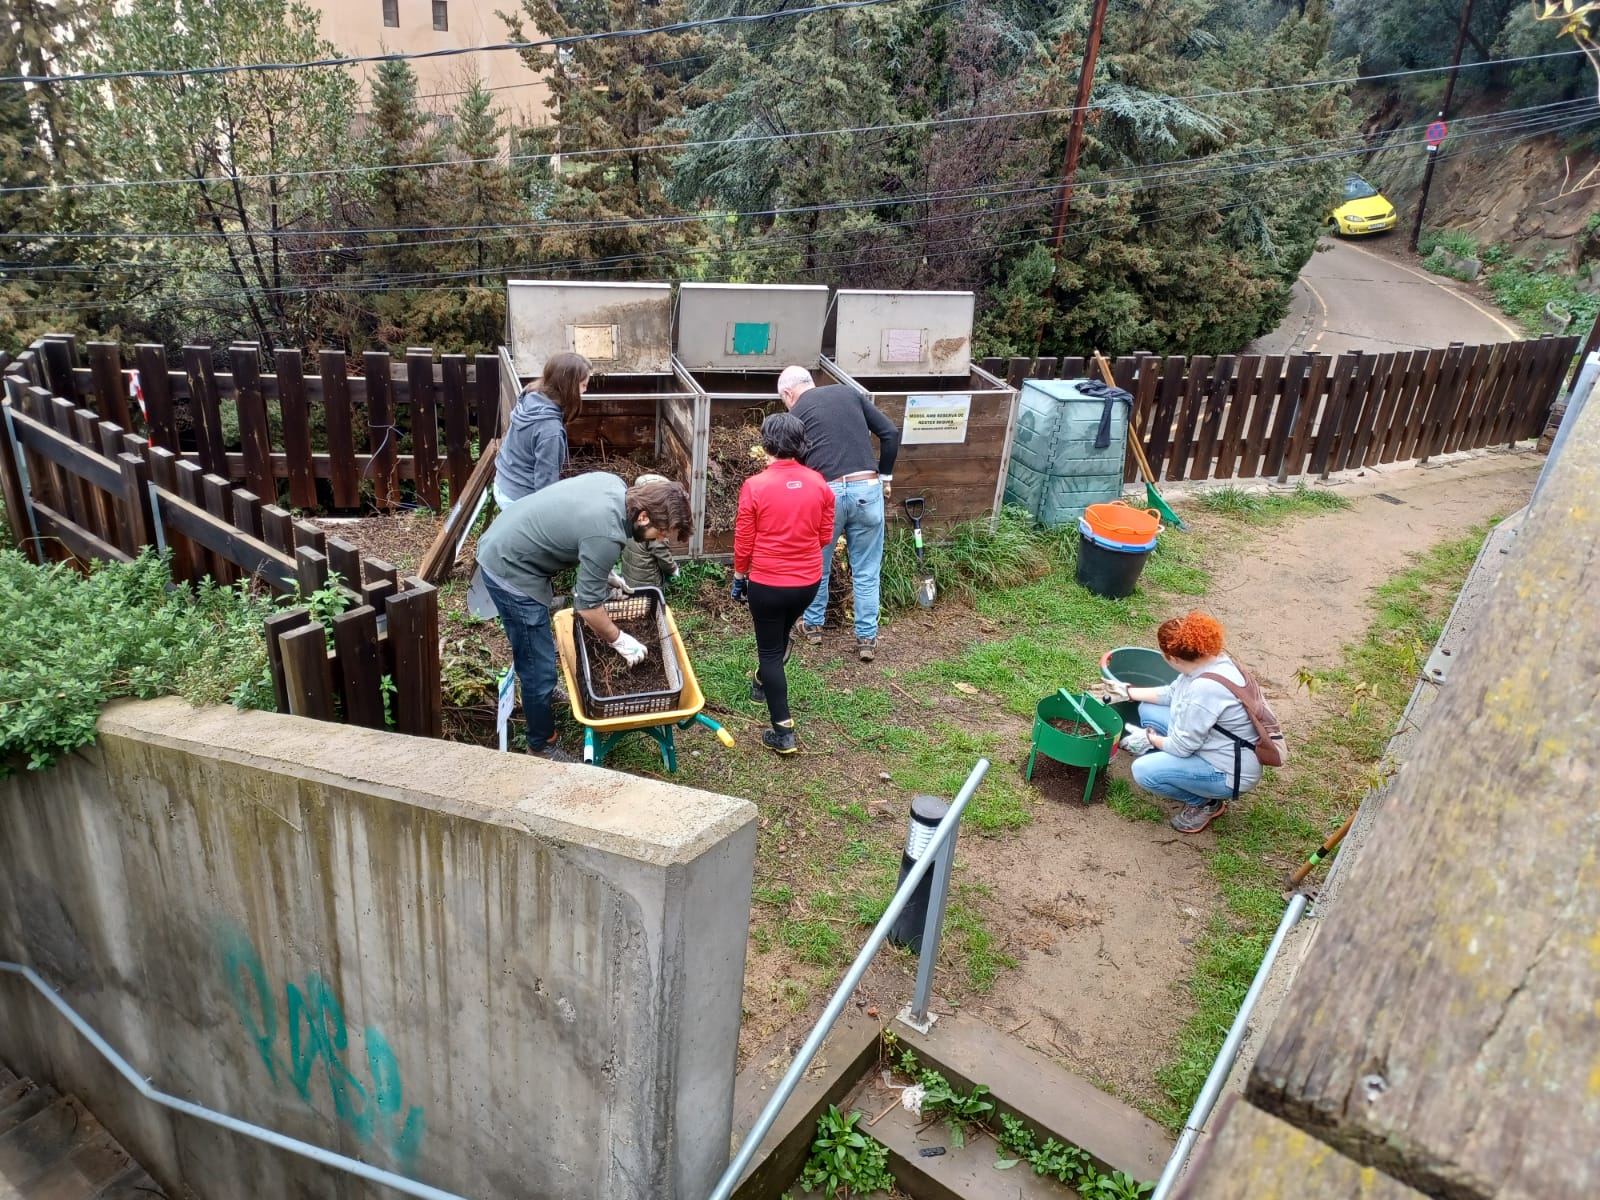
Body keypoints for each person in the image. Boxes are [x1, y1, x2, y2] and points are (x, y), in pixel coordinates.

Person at [475, 473, 692, 762]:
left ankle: (544, 696)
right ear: (643, 517)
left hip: (509, 533)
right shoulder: (607, 535)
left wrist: (603, 573)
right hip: (510, 568)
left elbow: (581, 531)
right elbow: (588, 608)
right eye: (662, 532)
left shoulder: (613, 486)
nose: (661, 539)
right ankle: (541, 744)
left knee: (538, 653)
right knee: (537, 667)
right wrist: (620, 640)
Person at [777, 365, 899, 662]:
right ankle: (866, 638)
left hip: (825, 493)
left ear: (788, 394)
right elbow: (890, 433)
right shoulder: (848, 392)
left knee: (817, 564)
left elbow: (792, 463)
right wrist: (885, 477)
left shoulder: (796, 414)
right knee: (866, 570)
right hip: (866, 488)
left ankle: (813, 626)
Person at [731, 413, 836, 755]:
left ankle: (783, 732)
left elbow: (744, 541)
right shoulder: (819, 482)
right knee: (778, 637)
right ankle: (761, 681)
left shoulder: (755, 485)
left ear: (766, 444)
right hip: (807, 583)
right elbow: (824, 536)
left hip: (768, 583)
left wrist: (739, 576)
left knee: (770, 652)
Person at [1106, 611, 1263, 834]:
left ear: (1174, 659)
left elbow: (1182, 747)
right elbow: (1173, 693)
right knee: (1147, 708)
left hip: (1227, 772)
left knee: (1143, 770)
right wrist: (1128, 692)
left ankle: (1205, 803)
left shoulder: (1204, 690)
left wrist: (1149, 738)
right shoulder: (1212, 662)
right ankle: (1176, 769)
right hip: (1219, 744)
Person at [493, 351, 590, 508]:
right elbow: (545, 487)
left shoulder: (532, 396)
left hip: (504, 482)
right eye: (583, 385)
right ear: (569, 387)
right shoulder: (550, 431)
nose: (585, 390)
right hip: (518, 499)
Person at [618, 473, 681, 592]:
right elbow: (663, 555)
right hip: (647, 582)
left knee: (633, 598)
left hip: (628, 575)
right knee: (649, 601)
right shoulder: (655, 528)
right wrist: (673, 569)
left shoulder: (631, 518)